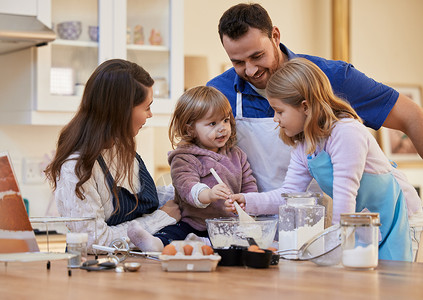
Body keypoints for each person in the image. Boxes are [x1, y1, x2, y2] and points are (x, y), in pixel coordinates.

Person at [207, 3, 423, 193]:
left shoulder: (332, 77)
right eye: (238, 62)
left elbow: (412, 116)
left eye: (257, 56)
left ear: (275, 36)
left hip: (343, 219)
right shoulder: (218, 93)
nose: (251, 70)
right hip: (268, 224)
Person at [226, 58, 422, 261]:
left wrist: (334, 250)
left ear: (305, 107)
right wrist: (247, 201)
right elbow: (289, 194)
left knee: (394, 287)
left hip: (400, 220)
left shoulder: (346, 132)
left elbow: (345, 194)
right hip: (363, 224)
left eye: (280, 111)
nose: (275, 118)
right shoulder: (305, 145)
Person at [44, 59, 180, 253]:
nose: (150, 115)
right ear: (121, 112)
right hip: (95, 274)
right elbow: (94, 242)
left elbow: (138, 203)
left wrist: (187, 192)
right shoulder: (76, 167)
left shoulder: (122, 150)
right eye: (146, 107)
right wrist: (162, 218)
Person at [127, 86, 258, 251]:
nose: (222, 127)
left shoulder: (237, 155)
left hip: (228, 225)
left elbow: (249, 185)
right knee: (172, 232)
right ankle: (155, 244)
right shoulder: (184, 157)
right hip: (192, 222)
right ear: (190, 129)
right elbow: (187, 187)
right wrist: (209, 194)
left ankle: (201, 243)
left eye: (225, 120)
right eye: (212, 123)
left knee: (244, 242)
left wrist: (245, 202)